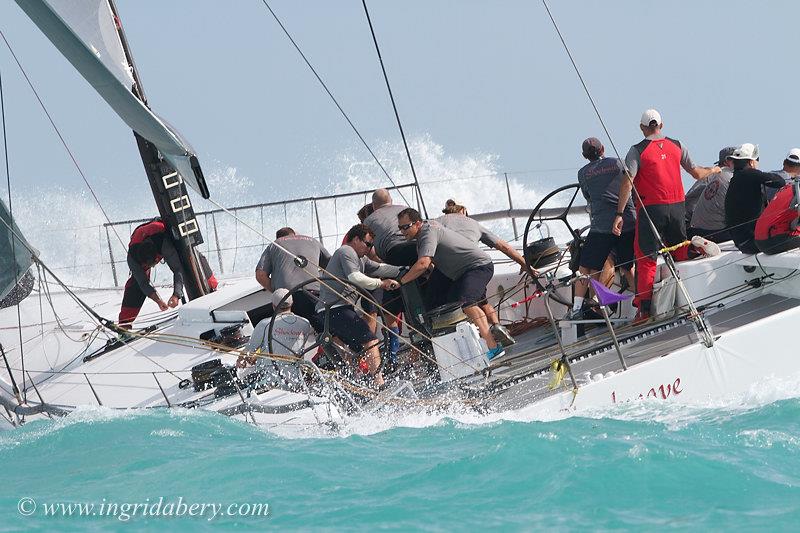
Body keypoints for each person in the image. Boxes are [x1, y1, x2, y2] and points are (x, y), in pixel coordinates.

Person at [613, 109, 721, 320]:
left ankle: (644, 309)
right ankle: (696, 250)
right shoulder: (677, 145)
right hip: (677, 207)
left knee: (646, 257)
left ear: (642, 127)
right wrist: (714, 170)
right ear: (661, 125)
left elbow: (628, 180)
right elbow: (697, 173)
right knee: (678, 247)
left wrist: (619, 213)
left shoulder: (637, 150)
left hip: (651, 209)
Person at [395, 208, 506, 360]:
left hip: (477, 266)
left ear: (418, 223)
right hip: (459, 272)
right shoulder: (422, 237)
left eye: (405, 227)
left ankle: (494, 347)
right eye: (400, 228)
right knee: (444, 303)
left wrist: (400, 282)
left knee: (468, 303)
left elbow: (423, 263)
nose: (402, 231)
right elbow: (429, 265)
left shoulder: (428, 232)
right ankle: (468, 347)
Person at [315, 224, 402, 388]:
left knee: (355, 348)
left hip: (334, 310)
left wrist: (402, 270)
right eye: (367, 244)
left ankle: (357, 381)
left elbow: (380, 267)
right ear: (355, 239)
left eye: (371, 246)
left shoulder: (360, 258)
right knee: (371, 340)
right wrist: (381, 284)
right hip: (333, 309)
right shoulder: (346, 251)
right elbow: (355, 278)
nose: (369, 249)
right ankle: (379, 383)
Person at [436, 202, 528, 345]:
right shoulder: (473, 224)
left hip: (454, 269)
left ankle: (487, 342)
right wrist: (523, 263)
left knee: (467, 304)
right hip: (477, 267)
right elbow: (504, 246)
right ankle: (497, 326)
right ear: (463, 210)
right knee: (482, 302)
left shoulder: (438, 223)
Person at [572, 137, 636, 319]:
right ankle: (643, 301)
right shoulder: (619, 163)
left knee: (585, 267)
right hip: (629, 222)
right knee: (626, 266)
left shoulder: (583, 173)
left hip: (602, 227)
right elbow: (631, 183)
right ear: (603, 149)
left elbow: (588, 196)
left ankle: (578, 308)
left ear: (585, 156)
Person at [362, 189, 415, 358]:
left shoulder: (369, 220)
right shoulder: (406, 209)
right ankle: (419, 346)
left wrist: (382, 265)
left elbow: (369, 252)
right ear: (391, 200)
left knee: (389, 311)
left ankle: (393, 353)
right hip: (416, 254)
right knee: (414, 304)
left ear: (373, 205)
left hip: (393, 257)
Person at [237, 288, 315, 390]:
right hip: (297, 379)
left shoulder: (264, 324)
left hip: (271, 380)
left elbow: (249, 351)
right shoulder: (305, 323)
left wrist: (240, 360)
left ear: (273, 305)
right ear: (292, 303)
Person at [255, 227, 331, 327]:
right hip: (314, 295)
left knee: (291, 332)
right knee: (320, 330)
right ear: (294, 234)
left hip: (288, 296)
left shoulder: (274, 244)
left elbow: (260, 275)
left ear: (279, 237)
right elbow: (331, 266)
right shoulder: (312, 241)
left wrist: (278, 293)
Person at [118, 219, 184, 329]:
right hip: (141, 239)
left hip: (165, 235)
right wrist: (158, 300)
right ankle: (124, 325)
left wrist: (176, 295)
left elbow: (178, 269)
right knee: (136, 285)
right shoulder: (132, 258)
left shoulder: (164, 244)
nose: (152, 267)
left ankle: (211, 287)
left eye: (153, 264)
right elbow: (143, 283)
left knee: (188, 260)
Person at [724, 143, 786, 254]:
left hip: (741, 243)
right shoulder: (750, 174)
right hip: (754, 243)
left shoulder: (735, 178)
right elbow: (780, 181)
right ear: (751, 162)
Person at [688, 146, 737, 242]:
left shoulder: (710, 175)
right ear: (728, 161)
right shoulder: (721, 176)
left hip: (694, 226)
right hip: (699, 228)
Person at [755, 180, 800, 255]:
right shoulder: (798, 193)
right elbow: (793, 225)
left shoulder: (786, 188)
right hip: (774, 241)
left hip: (760, 240)